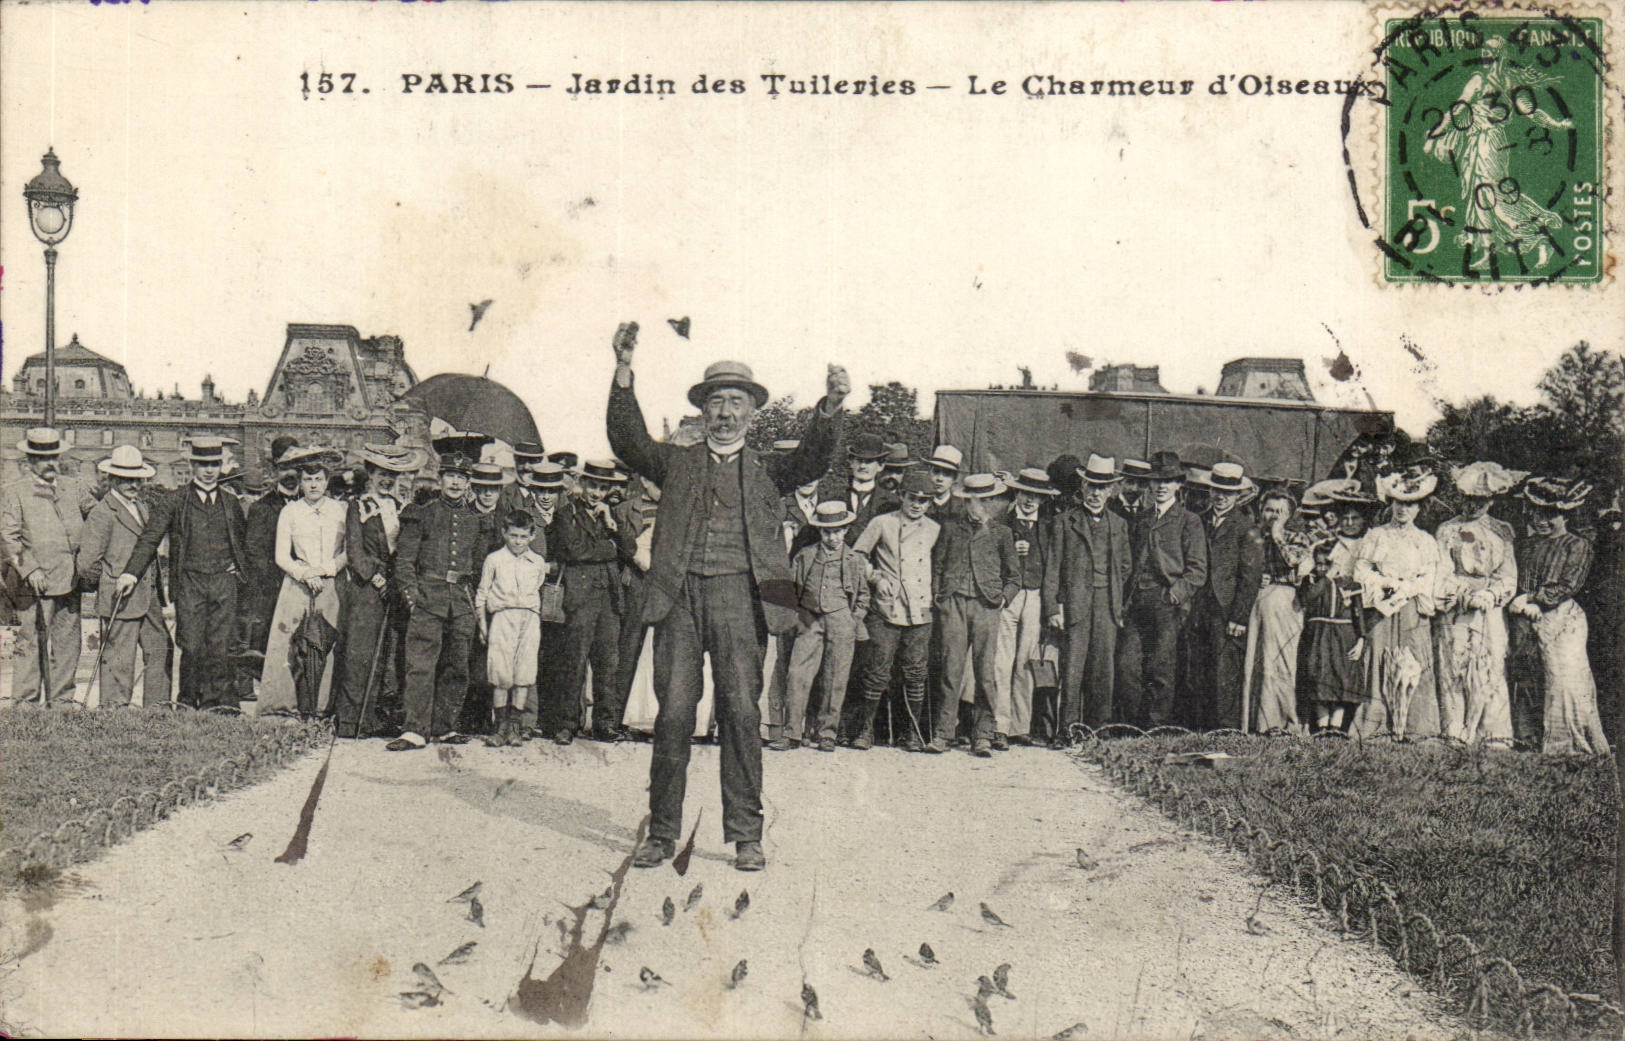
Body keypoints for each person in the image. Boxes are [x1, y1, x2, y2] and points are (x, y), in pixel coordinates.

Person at [607, 321, 847, 872]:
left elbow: (813, 459)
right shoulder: (677, 462)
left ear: (751, 412)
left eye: (736, 402)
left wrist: (831, 407)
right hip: (680, 598)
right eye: (716, 402)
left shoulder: (768, 469)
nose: (725, 413)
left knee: (741, 711)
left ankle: (746, 836)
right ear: (704, 409)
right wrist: (623, 371)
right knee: (672, 714)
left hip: (746, 599)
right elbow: (628, 440)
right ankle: (662, 832)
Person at [388, 448, 484, 750]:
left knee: (457, 666)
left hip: (461, 602)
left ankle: (445, 727)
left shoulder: (475, 520)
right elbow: (404, 562)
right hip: (428, 598)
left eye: (461, 477)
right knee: (421, 665)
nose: (455, 483)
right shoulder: (422, 514)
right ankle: (414, 730)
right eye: (450, 476)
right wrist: (413, 598)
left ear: (469, 482)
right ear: (441, 479)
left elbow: (479, 564)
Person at [1510, 477, 1609, 755]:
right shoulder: (1527, 546)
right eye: (1537, 515)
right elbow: (1518, 579)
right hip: (1525, 616)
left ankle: (1566, 742)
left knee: (1563, 677)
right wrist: (1522, 600)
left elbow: (1569, 584)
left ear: (1564, 515)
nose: (1542, 521)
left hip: (1562, 616)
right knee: (1526, 671)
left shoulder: (1576, 545)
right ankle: (1528, 738)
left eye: (1550, 516)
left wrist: (1536, 599)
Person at [930, 473, 1021, 756]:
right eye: (973, 500)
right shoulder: (950, 528)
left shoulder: (1002, 533)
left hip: (986, 606)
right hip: (954, 604)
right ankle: (944, 733)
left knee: (985, 672)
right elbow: (938, 566)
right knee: (950, 669)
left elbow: (1014, 577)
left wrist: (1002, 600)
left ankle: (982, 734)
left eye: (984, 501)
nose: (978, 506)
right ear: (965, 500)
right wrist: (941, 598)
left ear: (993, 502)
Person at [1351, 470, 1447, 740]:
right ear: (1391, 504)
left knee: (1413, 659)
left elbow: (1429, 576)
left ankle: (1416, 725)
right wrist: (1383, 583)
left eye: (1410, 504)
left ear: (1419, 507)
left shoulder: (1425, 541)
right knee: (1379, 659)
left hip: (1412, 607)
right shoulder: (1377, 536)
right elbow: (1361, 570)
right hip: (1382, 606)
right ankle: (1376, 724)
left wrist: (1408, 588)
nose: (1403, 509)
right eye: (1399, 502)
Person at [546, 459, 636, 744]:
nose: (596, 492)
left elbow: (630, 549)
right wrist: (609, 548)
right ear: (582, 484)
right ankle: (567, 724)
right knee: (574, 661)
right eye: (592, 486)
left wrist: (612, 524)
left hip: (609, 598)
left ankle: (604, 724)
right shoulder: (565, 513)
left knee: (608, 663)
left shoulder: (609, 515)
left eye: (602, 487)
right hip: (580, 597)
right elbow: (574, 551)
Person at [333, 445, 421, 738]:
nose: (387, 480)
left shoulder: (401, 507)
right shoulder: (358, 505)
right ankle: (351, 720)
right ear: (370, 474)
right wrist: (377, 578)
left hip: (394, 588)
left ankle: (381, 717)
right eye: (382, 474)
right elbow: (355, 551)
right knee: (360, 653)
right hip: (366, 589)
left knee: (391, 652)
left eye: (392, 475)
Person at [1434, 461, 1523, 747]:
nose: (1472, 505)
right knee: (1454, 662)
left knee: (1490, 665)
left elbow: (1508, 575)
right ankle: (1454, 729)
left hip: (1488, 606)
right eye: (1467, 499)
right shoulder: (1447, 529)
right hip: (1456, 604)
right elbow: (1442, 570)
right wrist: (1459, 592)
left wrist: (1491, 595)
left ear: (1491, 501)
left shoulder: (1501, 531)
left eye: (1479, 501)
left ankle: (1493, 733)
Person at [1042, 455, 1132, 740]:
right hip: (1075, 604)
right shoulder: (1064, 522)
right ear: (1082, 486)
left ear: (1110, 491)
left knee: (1102, 670)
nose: (1095, 494)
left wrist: (1114, 594)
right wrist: (1052, 607)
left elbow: (1126, 565)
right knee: (1072, 669)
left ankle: (1099, 731)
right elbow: (1052, 568)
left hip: (1107, 605)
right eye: (1091, 486)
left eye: (1102, 488)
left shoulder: (1118, 524)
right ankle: (1067, 730)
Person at [849, 471, 939, 751]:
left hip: (920, 610)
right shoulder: (882, 523)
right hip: (887, 609)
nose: (917, 505)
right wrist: (876, 578)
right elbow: (856, 556)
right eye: (913, 498)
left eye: (924, 501)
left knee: (915, 672)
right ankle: (865, 731)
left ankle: (912, 733)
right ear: (902, 496)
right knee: (878, 670)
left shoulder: (934, 529)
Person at [1118, 451, 1209, 728]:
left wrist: (1174, 594)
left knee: (1161, 668)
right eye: (1156, 482)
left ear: (1179, 485)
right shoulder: (1142, 519)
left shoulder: (1189, 521)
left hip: (1166, 602)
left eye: (1167, 481)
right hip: (1136, 602)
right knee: (1127, 666)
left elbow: (1197, 571)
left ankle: (1156, 727)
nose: (1161, 487)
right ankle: (1134, 726)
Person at [77, 445, 171, 709]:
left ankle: (157, 710)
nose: (133, 484)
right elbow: (87, 564)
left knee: (161, 648)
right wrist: (108, 581)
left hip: (149, 595)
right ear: (113, 479)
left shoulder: (141, 506)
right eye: (126, 479)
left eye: (137, 478)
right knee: (119, 657)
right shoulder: (103, 512)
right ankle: (115, 712)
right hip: (121, 595)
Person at [257, 449, 347, 719]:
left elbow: (348, 551)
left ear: (327, 481)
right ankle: (281, 705)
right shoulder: (290, 511)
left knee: (328, 643)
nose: (314, 485)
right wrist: (306, 573)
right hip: (297, 583)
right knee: (287, 643)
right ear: (301, 482)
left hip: (330, 583)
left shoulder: (340, 510)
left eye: (319, 479)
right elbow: (281, 555)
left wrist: (325, 569)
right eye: (308, 480)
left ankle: (322, 706)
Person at [2, 428, 86, 706]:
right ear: (30, 461)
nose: (50, 463)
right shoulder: (14, 492)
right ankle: (25, 702)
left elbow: (99, 516)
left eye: (54, 457)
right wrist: (29, 569)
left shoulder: (74, 487)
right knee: (31, 641)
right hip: (33, 583)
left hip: (70, 579)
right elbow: (8, 537)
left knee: (67, 643)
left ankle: (62, 701)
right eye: (42, 458)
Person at [781, 501, 871, 751]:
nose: (833, 537)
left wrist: (854, 619)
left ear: (846, 530)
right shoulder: (805, 555)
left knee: (835, 677)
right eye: (827, 531)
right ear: (820, 531)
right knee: (797, 674)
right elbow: (792, 588)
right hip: (809, 618)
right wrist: (797, 616)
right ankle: (792, 732)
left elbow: (863, 596)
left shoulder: (853, 559)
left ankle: (827, 733)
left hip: (841, 619)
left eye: (838, 531)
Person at [1181, 463, 1265, 730]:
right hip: (1197, 604)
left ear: (1237, 495)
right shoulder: (1198, 520)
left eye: (1227, 493)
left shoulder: (1246, 527)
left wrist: (1239, 617)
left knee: (1224, 669)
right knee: (1196, 665)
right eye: (1217, 490)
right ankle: (1196, 726)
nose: (1220, 497)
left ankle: (1224, 729)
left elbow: (1250, 578)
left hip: (1226, 607)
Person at [476, 510, 550, 747]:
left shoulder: (537, 562)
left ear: (531, 536)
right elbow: (482, 595)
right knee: (500, 675)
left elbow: (538, 588)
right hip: (502, 617)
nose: (518, 541)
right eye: (513, 535)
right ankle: (500, 728)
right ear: (504, 533)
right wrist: (483, 626)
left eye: (523, 536)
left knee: (523, 675)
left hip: (528, 618)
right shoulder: (494, 560)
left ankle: (515, 728)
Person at [997, 468, 1058, 744]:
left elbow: (1055, 568)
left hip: (1034, 596)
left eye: (1036, 495)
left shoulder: (1049, 526)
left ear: (1043, 499)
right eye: (1025, 493)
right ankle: (998, 724)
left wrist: (1052, 606)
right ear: (1017, 493)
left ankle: (1020, 726)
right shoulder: (1002, 523)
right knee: (1001, 661)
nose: (1030, 500)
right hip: (1007, 596)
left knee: (1025, 661)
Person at [242, 437, 303, 695]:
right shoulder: (262, 508)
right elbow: (254, 552)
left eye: (295, 469)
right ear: (275, 471)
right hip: (273, 588)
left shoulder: (311, 505)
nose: (290, 475)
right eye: (284, 468)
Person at [1296, 541, 1368, 732]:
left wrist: (1361, 639)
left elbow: (1358, 613)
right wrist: (1326, 577)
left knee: (1341, 680)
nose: (1321, 568)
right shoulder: (1312, 582)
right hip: (1319, 637)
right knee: (1319, 680)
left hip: (1344, 638)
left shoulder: (1351, 584)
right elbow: (1308, 598)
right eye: (1318, 564)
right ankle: (1321, 726)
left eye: (1326, 565)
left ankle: (1336, 727)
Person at [923, 446, 963, 521]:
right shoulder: (920, 504)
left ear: (954, 478)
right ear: (929, 473)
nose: (940, 479)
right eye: (936, 471)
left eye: (946, 474)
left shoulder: (961, 508)